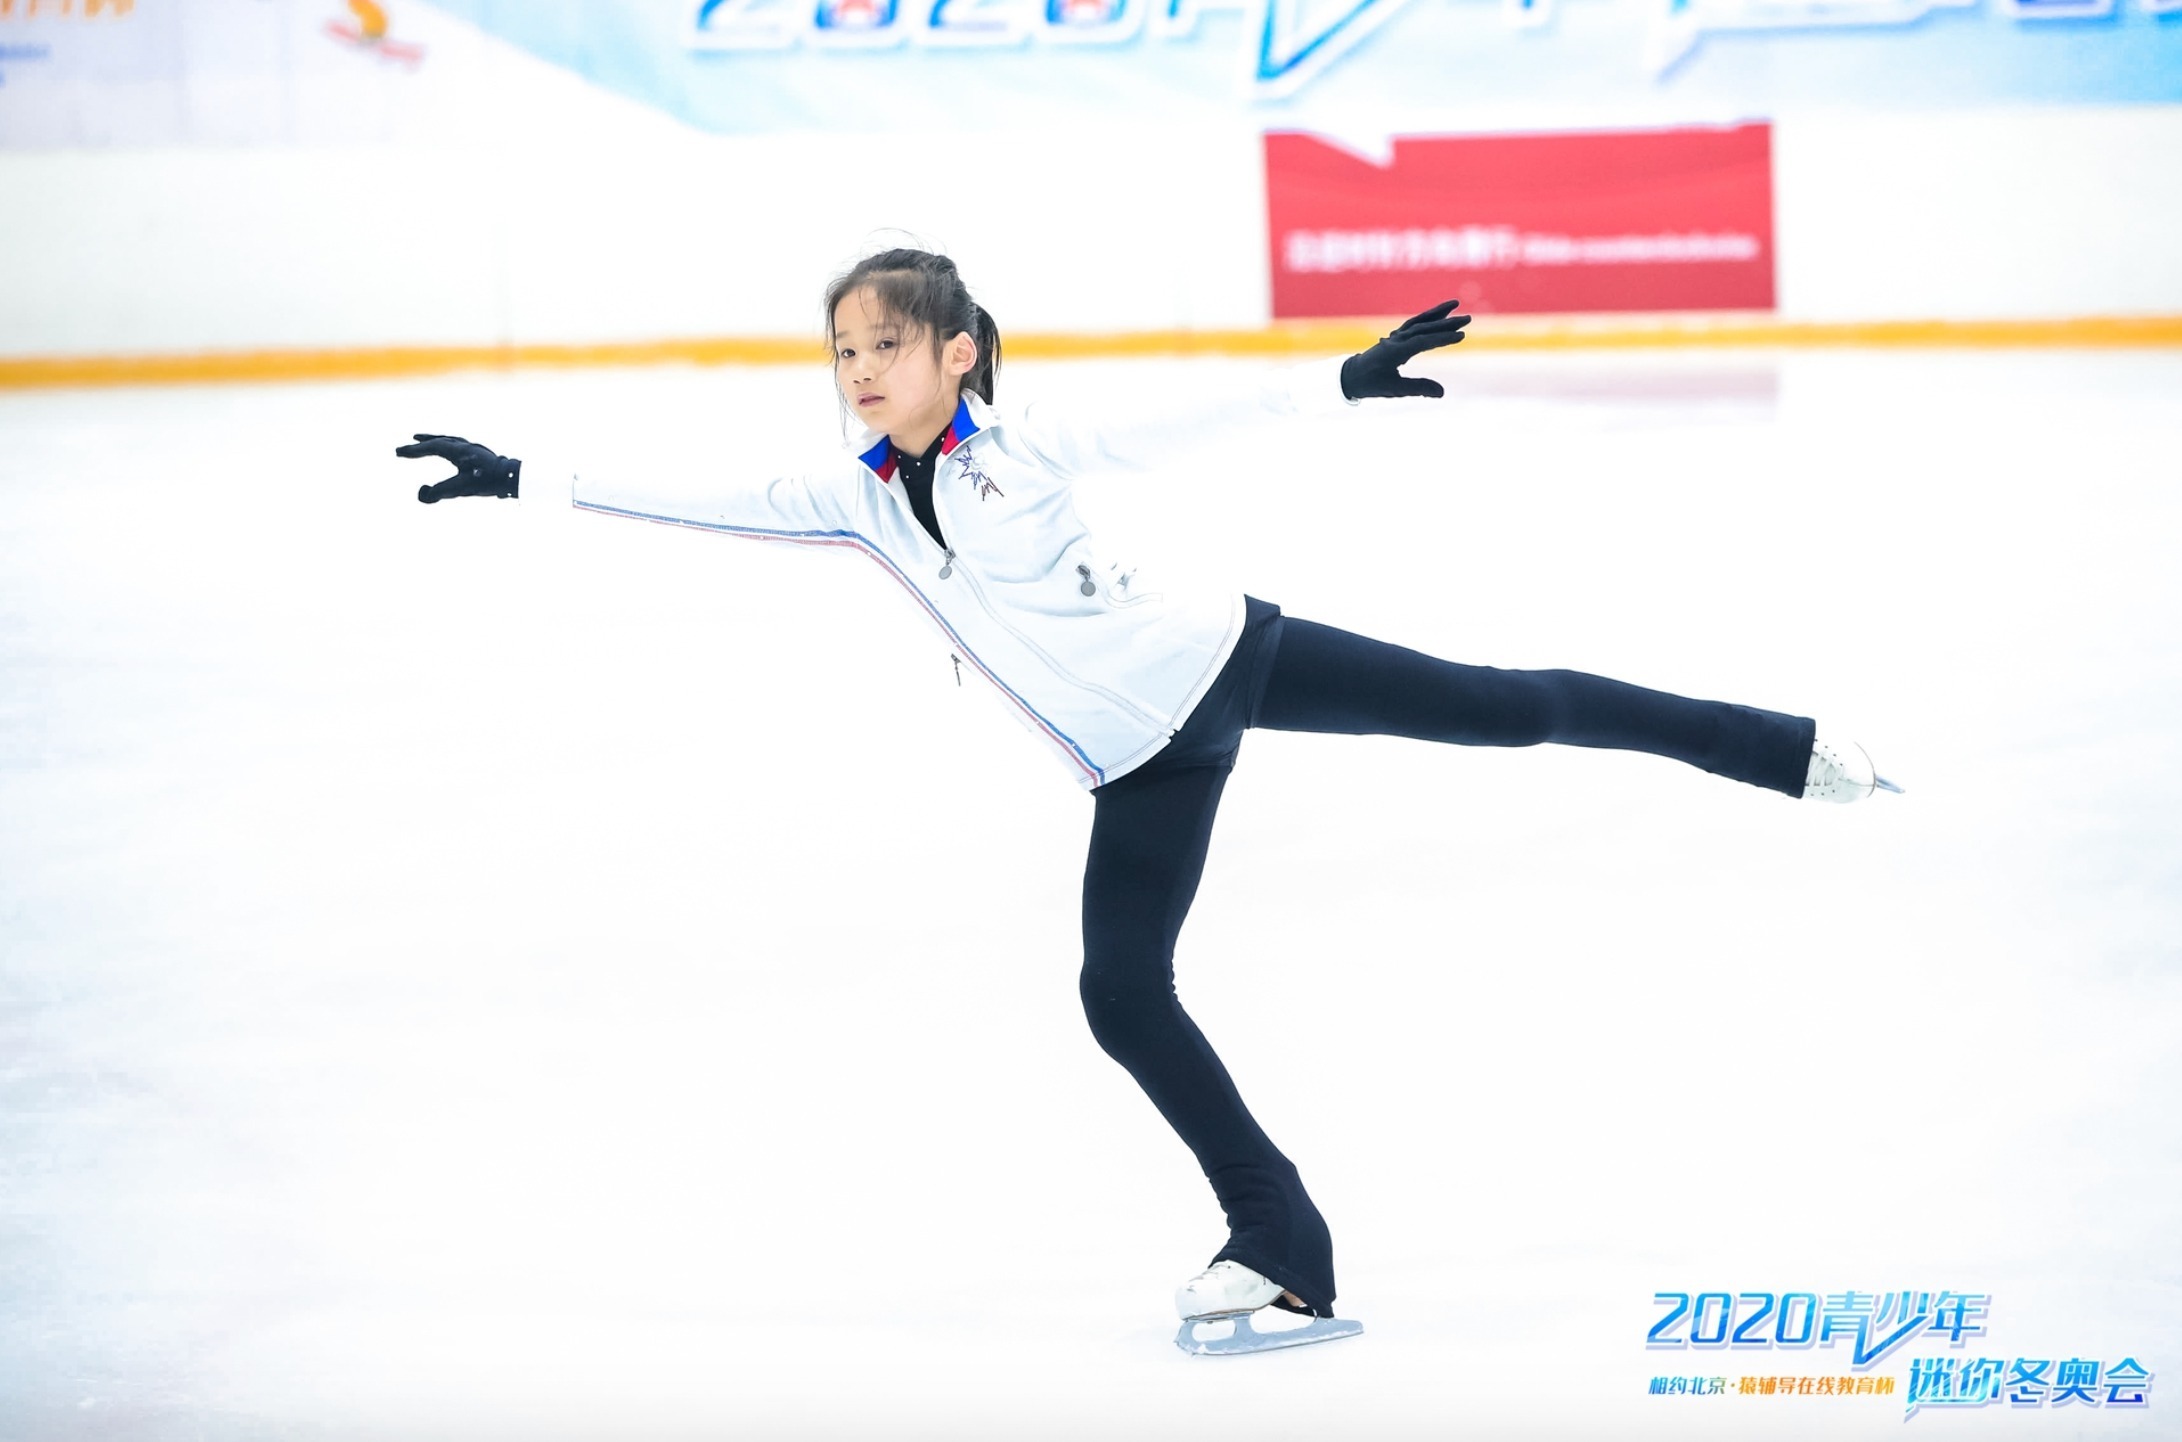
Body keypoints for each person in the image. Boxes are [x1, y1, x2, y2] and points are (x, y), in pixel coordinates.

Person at [398, 245, 1897, 1355]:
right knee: (1119, 991)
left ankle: (1776, 746)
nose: (857, 368)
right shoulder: (853, 500)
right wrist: (522, 475)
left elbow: (1177, 420)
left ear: (957, 354)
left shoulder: (1021, 451)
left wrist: (1340, 378)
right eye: (841, 348)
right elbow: (695, 494)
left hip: (1228, 657)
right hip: (1143, 763)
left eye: (885, 344)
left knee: (1503, 708)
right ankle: (1284, 1240)